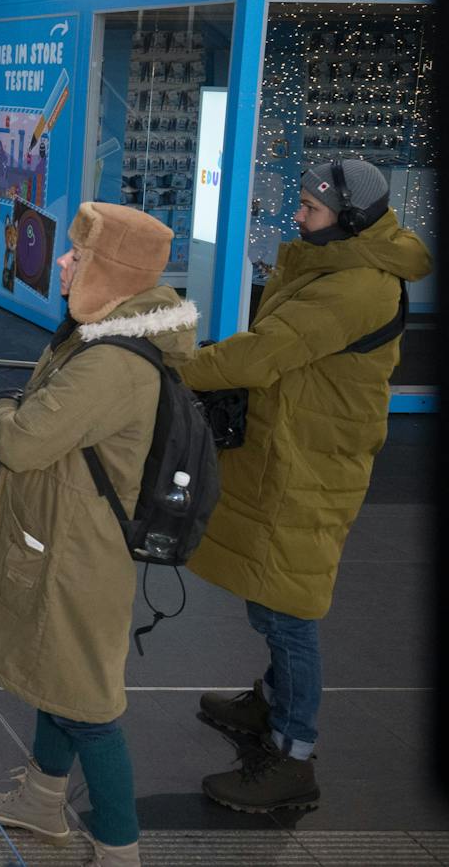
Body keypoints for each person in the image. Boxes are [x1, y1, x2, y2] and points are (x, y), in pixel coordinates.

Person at [0, 202, 194, 866]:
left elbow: (26, 438)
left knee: (90, 708)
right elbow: (42, 415)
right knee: (57, 676)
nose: (64, 261)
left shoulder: (113, 362)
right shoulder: (98, 333)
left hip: (82, 556)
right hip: (64, 539)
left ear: (114, 273)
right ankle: (43, 800)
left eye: (81, 256)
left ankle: (120, 848)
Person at [182, 159, 430, 814]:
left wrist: (173, 366)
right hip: (290, 447)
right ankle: (272, 701)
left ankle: (293, 754)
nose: (297, 216)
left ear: (349, 218)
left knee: (290, 607)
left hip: (312, 463)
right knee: (271, 590)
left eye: (311, 208)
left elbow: (262, 353)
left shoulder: (356, 287)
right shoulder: (331, 263)